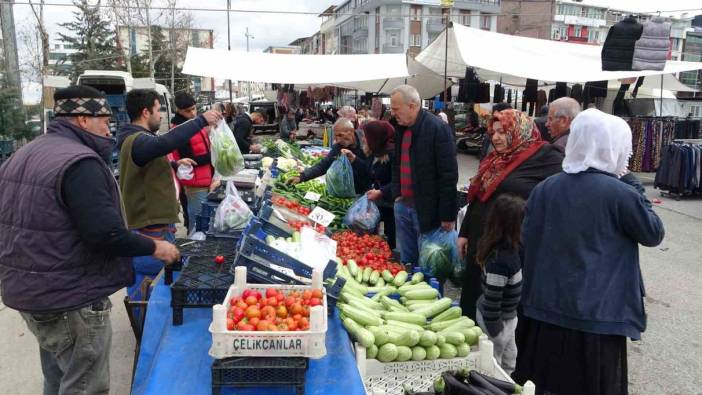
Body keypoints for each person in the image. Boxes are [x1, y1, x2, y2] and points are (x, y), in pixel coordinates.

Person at [0, 86, 180, 395]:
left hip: (30, 291)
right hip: (70, 298)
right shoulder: (80, 162)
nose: (108, 126)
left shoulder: (25, 153)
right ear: (83, 119)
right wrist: (157, 247)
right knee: (85, 386)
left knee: (58, 380)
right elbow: (105, 234)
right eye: (104, 118)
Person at [513, 109, 665, 395]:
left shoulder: (547, 187)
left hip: (545, 310)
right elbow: (653, 233)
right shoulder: (620, 193)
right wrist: (632, 182)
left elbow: (526, 241)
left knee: (545, 384)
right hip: (596, 317)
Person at [458, 109, 563, 321]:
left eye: (503, 132)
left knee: (499, 305)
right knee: (474, 296)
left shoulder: (546, 157)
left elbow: (557, 200)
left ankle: (499, 347)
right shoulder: (494, 159)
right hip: (481, 238)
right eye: (493, 132)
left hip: (511, 244)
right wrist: (465, 232)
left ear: (519, 130)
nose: (496, 137)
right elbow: (478, 197)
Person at [117, 89, 222, 297]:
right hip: (150, 231)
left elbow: (148, 164)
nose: (161, 115)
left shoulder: (139, 139)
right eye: (158, 110)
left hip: (156, 226)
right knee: (150, 285)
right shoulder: (136, 140)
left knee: (155, 283)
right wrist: (201, 120)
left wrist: (173, 164)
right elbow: (164, 143)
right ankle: (146, 322)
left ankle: (147, 318)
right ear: (146, 112)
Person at [388, 85, 458, 265]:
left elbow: (448, 174)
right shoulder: (399, 128)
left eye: (396, 109)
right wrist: (397, 194)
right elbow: (396, 164)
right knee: (407, 261)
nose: (393, 113)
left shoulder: (437, 128)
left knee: (430, 266)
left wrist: (448, 214)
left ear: (412, 106)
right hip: (403, 206)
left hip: (428, 210)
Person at [474, 194, 525, 375]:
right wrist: (497, 335)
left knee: (510, 360)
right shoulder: (500, 261)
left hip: (508, 318)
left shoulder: (511, 250)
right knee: (493, 367)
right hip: (496, 322)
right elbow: (492, 302)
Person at [170, 92, 216, 235]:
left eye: (194, 108)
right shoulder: (179, 129)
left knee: (204, 220)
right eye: (187, 111)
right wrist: (214, 156)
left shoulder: (196, 124)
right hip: (194, 184)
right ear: (178, 110)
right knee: (197, 223)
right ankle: (192, 251)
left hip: (206, 179)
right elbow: (190, 159)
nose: (192, 113)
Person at [288, 118, 370, 194]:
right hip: (348, 191)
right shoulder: (339, 146)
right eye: (336, 136)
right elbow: (324, 165)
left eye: (340, 135)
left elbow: (372, 171)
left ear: (351, 131)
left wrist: (355, 160)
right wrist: (302, 177)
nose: (337, 140)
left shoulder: (367, 142)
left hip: (368, 191)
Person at [364, 120, 397, 249]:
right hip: (377, 200)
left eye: (367, 136)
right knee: (372, 235)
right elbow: (367, 171)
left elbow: (398, 180)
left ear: (375, 138)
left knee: (390, 236)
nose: (364, 138)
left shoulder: (392, 154)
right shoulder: (372, 151)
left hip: (391, 202)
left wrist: (381, 192)